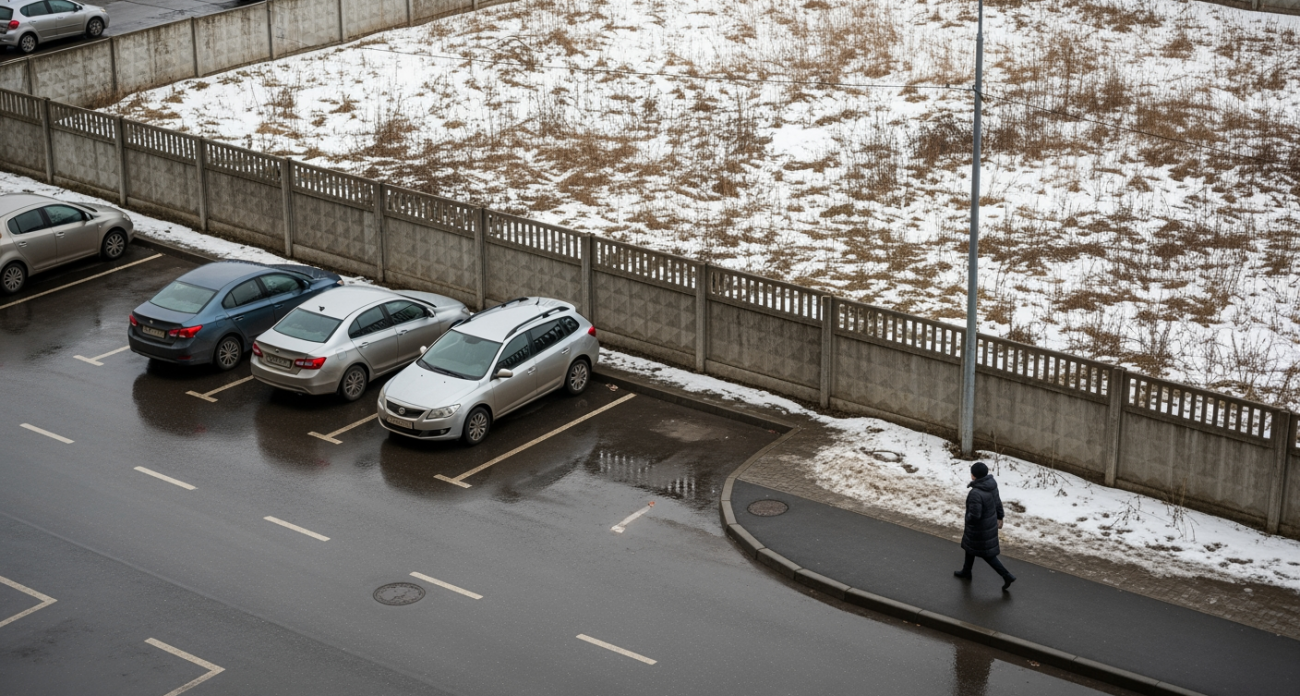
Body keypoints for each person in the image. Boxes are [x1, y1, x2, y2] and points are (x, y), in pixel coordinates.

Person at [954, 461, 1017, 591]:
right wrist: (1000, 517)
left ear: (974, 476)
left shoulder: (976, 493)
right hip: (989, 524)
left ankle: (1007, 576)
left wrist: (968, 519)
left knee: (987, 555)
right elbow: (997, 502)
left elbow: (975, 515)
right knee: (969, 548)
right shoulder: (991, 485)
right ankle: (966, 571)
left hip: (979, 529)